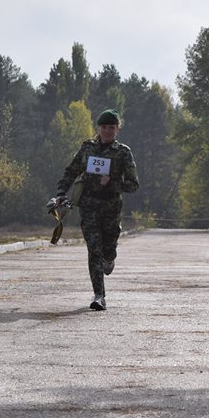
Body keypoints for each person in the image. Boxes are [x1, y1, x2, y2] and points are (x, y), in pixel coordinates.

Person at [50, 109, 139, 310]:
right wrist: (61, 193)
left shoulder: (123, 152)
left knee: (108, 250)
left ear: (117, 129)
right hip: (89, 206)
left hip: (111, 207)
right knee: (93, 249)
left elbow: (133, 185)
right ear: (98, 128)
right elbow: (70, 171)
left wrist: (113, 181)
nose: (107, 131)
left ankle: (111, 258)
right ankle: (99, 295)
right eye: (104, 127)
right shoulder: (87, 148)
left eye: (111, 128)